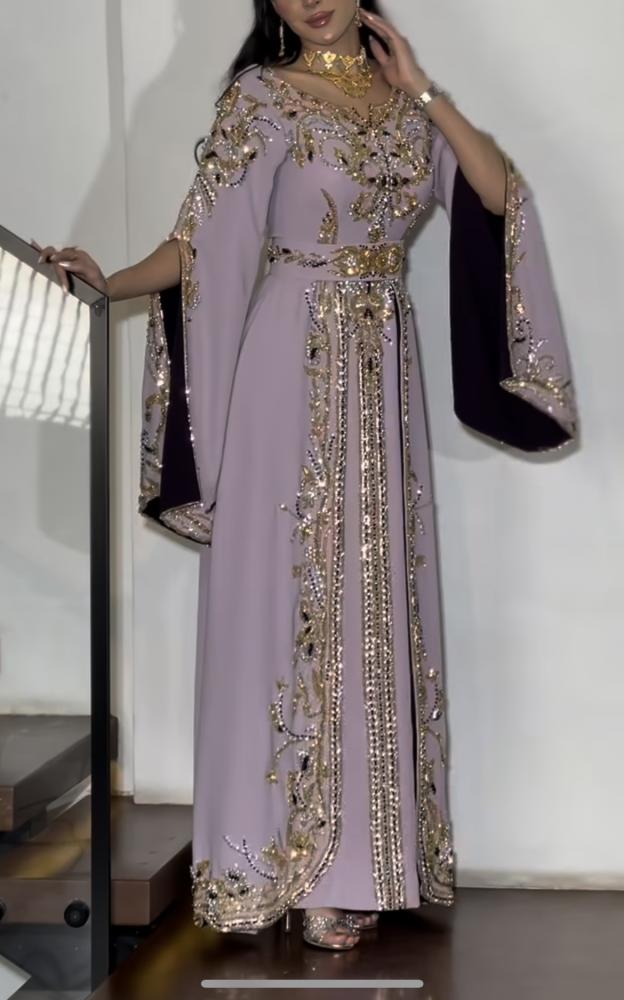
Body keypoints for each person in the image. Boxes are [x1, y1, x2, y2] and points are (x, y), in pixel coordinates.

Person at [35, 0, 577, 952]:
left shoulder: (404, 107)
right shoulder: (261, 99)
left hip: (385, 378)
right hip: (287, 371)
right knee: (286, 603)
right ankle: (286, 865)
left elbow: (498, 197)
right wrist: (105, 281)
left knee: (373, 602)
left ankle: (370, 862)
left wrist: (425, 91)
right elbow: (198, 245)